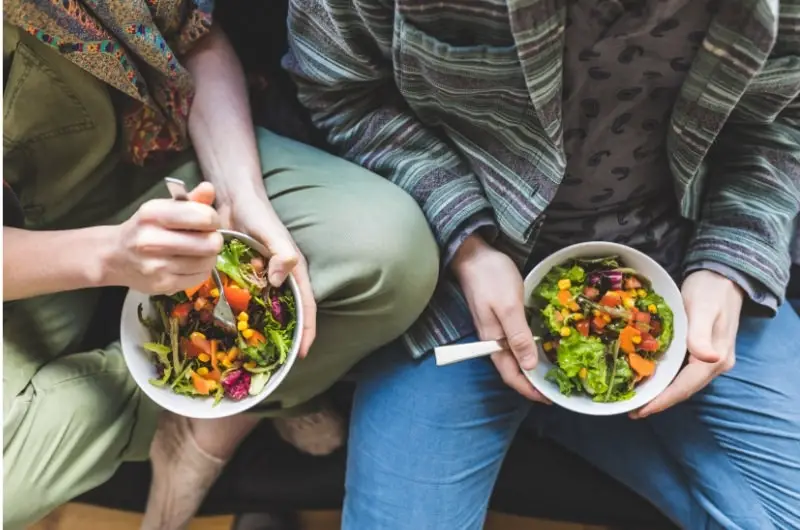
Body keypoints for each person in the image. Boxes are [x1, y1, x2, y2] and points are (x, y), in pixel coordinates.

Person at [284, 0, 800, 528]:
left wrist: (730, 261)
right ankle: (583, 412)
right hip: (454, 269)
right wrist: (469, 246)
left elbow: (783, 120)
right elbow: (340, 89)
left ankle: (571, 413)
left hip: (682, 256)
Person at [2, 1, 438, 529]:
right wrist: (104, 257)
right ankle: (199, 410)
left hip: (144, 152)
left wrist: (240, 194)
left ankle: (204, 423)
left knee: (390, 253)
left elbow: (193, 36)